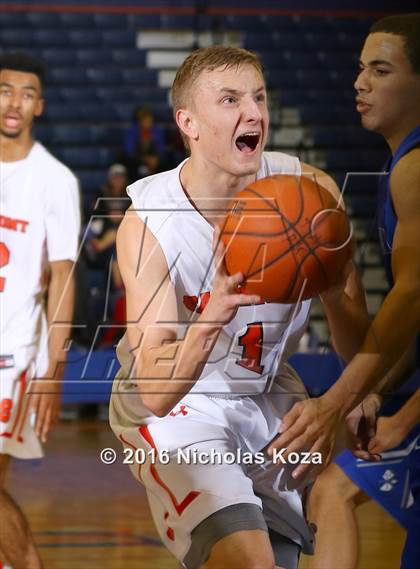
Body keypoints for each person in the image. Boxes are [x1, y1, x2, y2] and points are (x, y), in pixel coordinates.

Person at [109, 45, 370, 569]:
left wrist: (352, 393)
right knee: (247, 559)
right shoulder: (150, 223)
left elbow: (355, 327)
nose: (253, 113)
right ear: (189, 123)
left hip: (267, 391)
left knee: (312, 526)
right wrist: (211, 317)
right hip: (178, 404)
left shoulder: (309, 191)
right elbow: (157, 391)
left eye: (258, 97)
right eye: (229, 100)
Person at [270, 13, 420, 569]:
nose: (360, 83)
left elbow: (411, 299)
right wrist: (375, 391)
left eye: (381, 70)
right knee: (331, 488)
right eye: (360, 69)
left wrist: (338, 401)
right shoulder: (400, 166)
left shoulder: (415, 169)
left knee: (330, 488)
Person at [0, 52, 80, 568]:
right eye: (6, 90)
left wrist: (54, 370)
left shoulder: (54, 179)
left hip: (11, 355)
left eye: (27, 94)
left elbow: (64, 279)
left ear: (40, 106)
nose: (14, 103)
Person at [122, 105, 166, 180]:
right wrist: (145, 159)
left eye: (149, 120)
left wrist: (156, 158)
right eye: (145, 120)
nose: (148, 122)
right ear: (140, 121)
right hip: (137, 160)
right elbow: (129, 150)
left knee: (165, 165)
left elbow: (161, 148)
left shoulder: (156, 130)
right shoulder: (133, 131)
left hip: (154, 159)